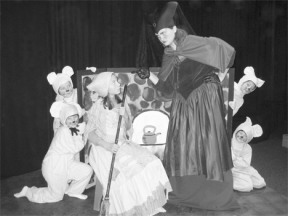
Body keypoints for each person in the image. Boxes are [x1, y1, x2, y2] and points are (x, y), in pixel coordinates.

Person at [134, 1, 239, 211]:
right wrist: (150, 77)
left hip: (205, 100)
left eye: (163, 32)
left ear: (174, 28)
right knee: (183, 146)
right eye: (157, 36)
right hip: (183, 105)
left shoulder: (194, 42)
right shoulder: (168, 55)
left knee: (208, 144)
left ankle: (214, 197)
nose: (161, 38)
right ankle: (185, 193)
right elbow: (166, 91)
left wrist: (218, 75)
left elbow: (227, 51)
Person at [84, 72, 172, 216]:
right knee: (135, 170)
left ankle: (151, 203)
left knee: (152, 162)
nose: (118, 83)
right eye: (113, 82)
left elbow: (127, 127)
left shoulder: (121, 102)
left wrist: (123, 115)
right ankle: (137, 208)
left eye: (116, 80)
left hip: (122, 145)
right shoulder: (99, 107)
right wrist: (106, 145)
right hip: (104, 148)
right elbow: (90, 134)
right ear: (105, 88)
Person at [14, 102, 93, 203]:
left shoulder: (72, 129)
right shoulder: (63, 131)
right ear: (64, 120)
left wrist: (82, 132)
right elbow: (74, 148)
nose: (73, 120)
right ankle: (28, 192)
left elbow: (76, 140)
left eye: (75, 117)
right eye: (69, 118)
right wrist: (84, 135)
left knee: (87, 170)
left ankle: (73, 191)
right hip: (54, 168)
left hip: (66, 164)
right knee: (55, 196)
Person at [231, 117, 266, 192]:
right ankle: (230, 182)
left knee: (260, 182)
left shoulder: (247, 148)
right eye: (240, 133)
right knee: (247, 186)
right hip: (233, 169)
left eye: (244, 136)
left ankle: (245, 178)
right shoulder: (229, 143)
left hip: (244, 168)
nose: (241, 136)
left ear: (248, 138)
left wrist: (236, 158)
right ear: (236, 131)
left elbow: (246, 164)